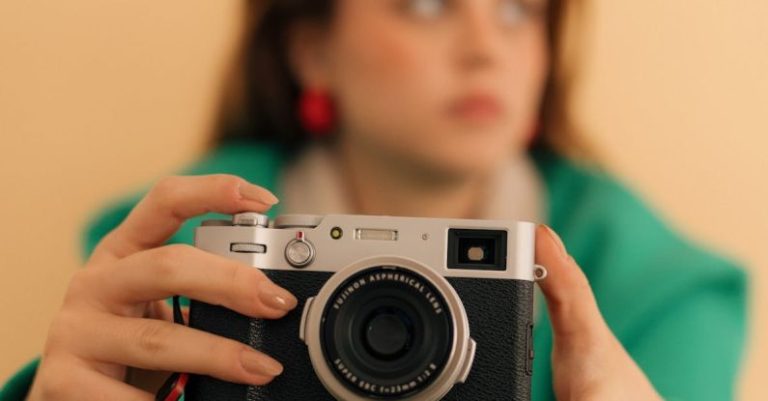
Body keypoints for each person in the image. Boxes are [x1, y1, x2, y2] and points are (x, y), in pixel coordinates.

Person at [1, 0, 746, 400]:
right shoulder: (177, 258)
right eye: (426, 5)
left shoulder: (663, 295)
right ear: (312, 49)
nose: (486, 46)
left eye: (521, 9)